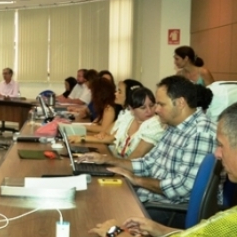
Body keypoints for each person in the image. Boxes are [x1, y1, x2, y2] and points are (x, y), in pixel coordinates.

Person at [79, 75, 216, 227]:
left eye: (160, 104)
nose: (156, 110)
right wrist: (107, 160)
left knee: (100, 211)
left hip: (168, 209)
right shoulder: (174, 126)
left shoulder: (200, 133)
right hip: (150, 198)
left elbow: (180, 188)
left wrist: (136, 179)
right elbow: (148, 163)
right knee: (94, 195)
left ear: (180, 103)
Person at [88, 102, 237, 237]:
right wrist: (160, 230)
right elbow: (198, 234)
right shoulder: (172, 128)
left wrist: (114, 232)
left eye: (221, 145)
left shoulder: (231, 221)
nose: (216, 154)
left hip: (167, 205)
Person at [72, 84, 166, 160]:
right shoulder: (128, 117)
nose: (149, 111)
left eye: (152, 105)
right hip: (118, 163)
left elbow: (134, 159)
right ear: (131, 109)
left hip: (131, 172)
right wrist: (81, 138)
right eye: (143, 108)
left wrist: (106, 160)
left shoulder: (156, 124)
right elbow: (111, 138)